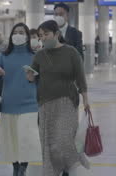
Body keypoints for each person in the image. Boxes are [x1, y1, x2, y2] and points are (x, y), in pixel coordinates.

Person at [28, 20, 90, 176]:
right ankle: (54, 171)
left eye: (46, 34)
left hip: (67, 102)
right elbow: (33, 76)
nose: (43, 38)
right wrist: (29, 75)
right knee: (49, 143)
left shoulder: (71, 52)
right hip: (45, 104)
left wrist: (86, 100)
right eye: (41, 35)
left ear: (57, 34)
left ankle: (73, 166)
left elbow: (80, 78)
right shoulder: (39, 55)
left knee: (64, 140)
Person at [0, 23, 41, 176]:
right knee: (11, 139)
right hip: (9, 104)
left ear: (27, 35)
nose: (18, 35)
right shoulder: (3, 56)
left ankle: (23, 167)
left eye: (22, 32)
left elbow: (43, 78)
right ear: (11, 36)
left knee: (26, 138)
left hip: (30, 104)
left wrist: (34, 78)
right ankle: (15, 166)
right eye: (16, 32)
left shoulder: (35, 56)